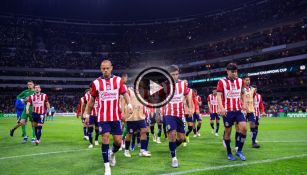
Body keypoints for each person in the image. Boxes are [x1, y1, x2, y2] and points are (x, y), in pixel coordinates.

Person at [84, 60, 133, 175]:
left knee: (118, 141)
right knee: (105, 137)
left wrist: (129, 104)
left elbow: (125, 94)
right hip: (103, 117)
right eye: (103, 68)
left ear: (111, 68)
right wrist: (87, 114)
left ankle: (112, 154)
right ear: (101, 69)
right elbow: (91, 101)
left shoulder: (118, 81)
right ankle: (107, 166)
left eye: (107, 68)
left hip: (115, 116)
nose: (105, 70)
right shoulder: (96, 83)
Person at [217, 63, 247, 161]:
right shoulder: (222, 82)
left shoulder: (240, 81)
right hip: (227, 111)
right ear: (228, 71)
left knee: (244, 128)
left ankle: (239, 151)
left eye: (236, 71)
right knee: (228, 133)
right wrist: (221, 107)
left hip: (238, 110)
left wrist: (244, 103)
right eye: (232, 72)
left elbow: (243, 93)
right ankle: (229, 153)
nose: (234, 73)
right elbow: (218, 96)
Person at [164, 65, 193, 168]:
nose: (175, 76)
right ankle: (174, 158)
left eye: (177, 74)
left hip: (180, 114)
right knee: (172, 134)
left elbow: (187, 95)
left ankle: (172, 148)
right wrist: (158, 113)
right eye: (173, 75)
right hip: (169, 113)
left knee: (181, 138)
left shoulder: (182, 84)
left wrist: (189, 107)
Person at [122, 87, 151, 157]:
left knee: (144, 131)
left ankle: (142, 150)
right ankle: (126, 150)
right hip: (131, 117)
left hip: (141, 116)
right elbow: (123, 102)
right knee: (130, 134)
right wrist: (123, 113)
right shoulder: (129, 91)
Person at [242, 76, 260, 148]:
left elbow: (253, 98)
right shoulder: (241, 89)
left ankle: (253, 142)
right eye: (246, 80)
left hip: (251, 110)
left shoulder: (253, 89)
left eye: (249, 80)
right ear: (243, 81)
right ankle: (240, 142)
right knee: (242, 128)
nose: (248, 81)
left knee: (253, 125)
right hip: (243, 111)